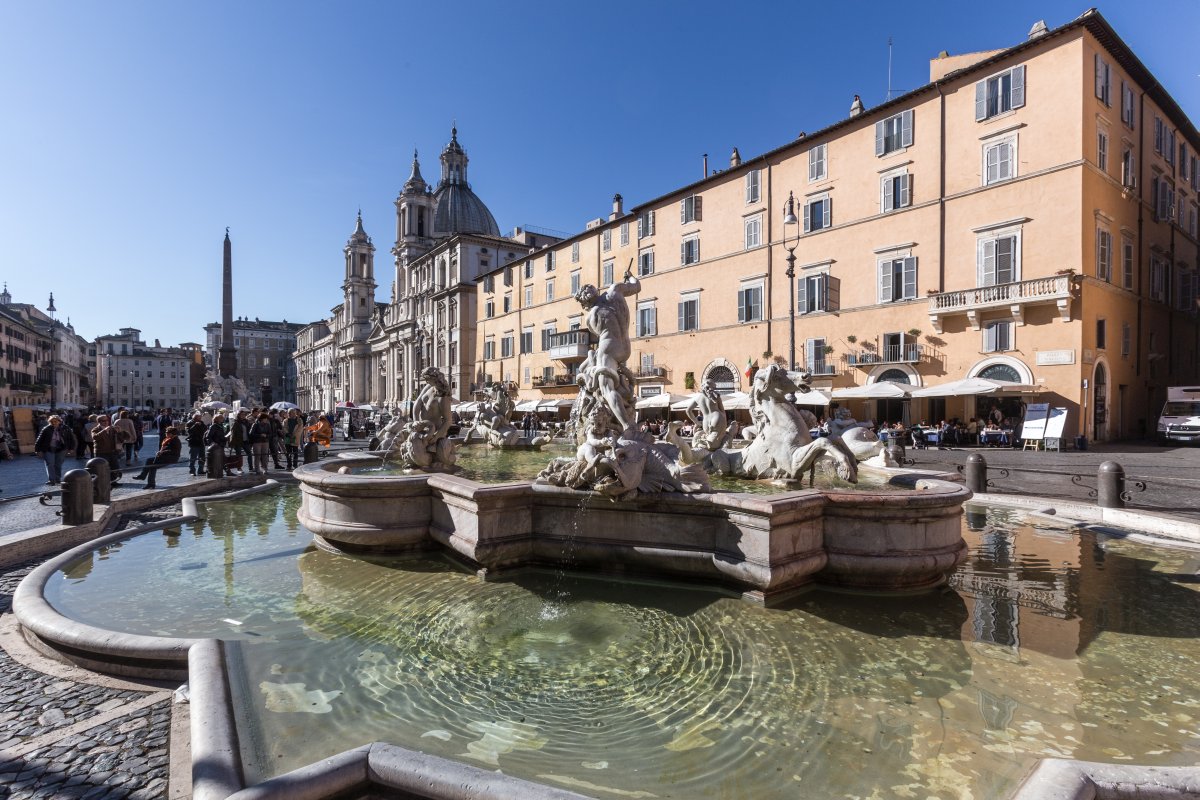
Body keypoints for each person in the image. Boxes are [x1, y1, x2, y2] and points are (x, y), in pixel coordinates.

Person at [575, 269, 641, 433]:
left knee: (606, 388)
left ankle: (627, 426)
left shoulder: (591, 316)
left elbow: (600, 334)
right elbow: (637, 286)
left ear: (584, 303)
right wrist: (630, 276)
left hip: (608, 348)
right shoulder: (615, 290)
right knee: (603, 376)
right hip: (625, 347)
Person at [34, 414, 75, 485]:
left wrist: (71, 448)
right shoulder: (46, 429)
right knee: (50, 464)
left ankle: (57, 478)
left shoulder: (66, 428)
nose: (54, 423)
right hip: (48, 448)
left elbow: (71, 438)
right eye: (52, 421)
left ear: (59, 421)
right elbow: (39, 439)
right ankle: (52, 480)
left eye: (55, 421)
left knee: (58, 464)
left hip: (61, 448)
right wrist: (37, 450)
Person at [92, 414, 122, 483]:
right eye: (103, 421)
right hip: (102, 452)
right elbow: (95, 437)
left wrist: (119, 432)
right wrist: (104, 431)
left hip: (112, 451)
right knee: (103, 469)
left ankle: (114, 482)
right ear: (99, 422)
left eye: (107, 420)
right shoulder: (95, 429)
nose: (106, 422)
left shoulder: (111, 429)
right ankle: (105, 483)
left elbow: (121, 439)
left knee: (115, 467)